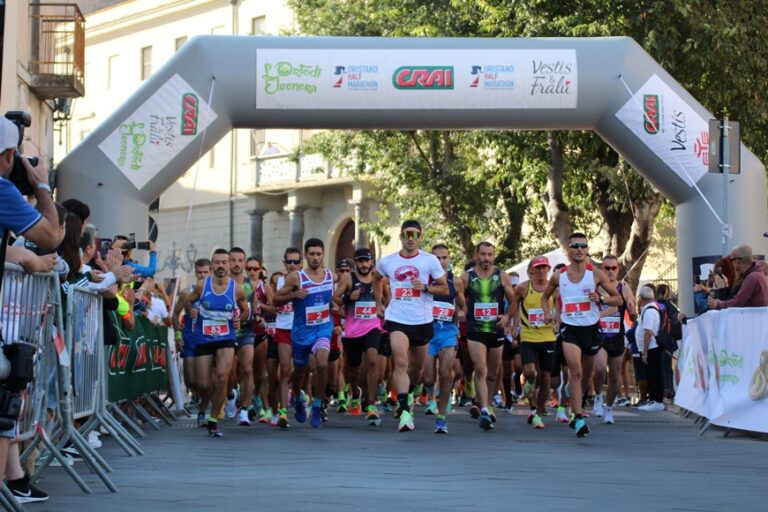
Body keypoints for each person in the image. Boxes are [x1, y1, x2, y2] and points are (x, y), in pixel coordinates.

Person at [0, 116, 63, 502]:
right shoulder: (3, 188)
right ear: (9, 154)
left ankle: (17, 479)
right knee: (6, 404)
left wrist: (15, 252)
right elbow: (53, 236)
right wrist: (40, 185)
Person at [541, 233, 621, 438]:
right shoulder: (559, 276)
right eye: (575, 246)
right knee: (575, 372)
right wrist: (548, 313)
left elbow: (618, 300)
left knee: (586, 376)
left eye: (582, 246)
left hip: (591, 329)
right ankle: (578, 418)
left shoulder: (595, 274)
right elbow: (545, 297)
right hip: (570, 329)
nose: (578, 249)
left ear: (587, 250)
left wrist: (600, 297)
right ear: (568, 250)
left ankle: (572, 394)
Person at [374, 220, 448, 432]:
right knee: (400, 360)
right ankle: (405, 411)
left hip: (422, 320)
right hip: (397, 317)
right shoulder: (388, 261)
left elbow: (443, 288)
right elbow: (376, 279)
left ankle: (412, 395)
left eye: (414, 235)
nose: (410, 238)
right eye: (406, 234)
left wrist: (425, 287)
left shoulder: (430, 260)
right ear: (400, 236)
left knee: (416, 370)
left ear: (420, 238)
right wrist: (379, 303)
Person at [187, 249, 250, 437]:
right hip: (204, 337)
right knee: (203, 384)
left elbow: (246, 310)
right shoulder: (201, 286)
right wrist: (192, 311)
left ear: (229, 265)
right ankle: (204, 405)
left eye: (224, 262)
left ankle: (213, 420)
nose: (221, 266)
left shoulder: (237, 289)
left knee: (223, 376)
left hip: (226, 337)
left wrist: (241, 320)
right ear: (212, 265)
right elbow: (188, 302)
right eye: (217, 262)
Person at [275, 238, 337, 428]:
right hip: (302, 332)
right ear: (305, 255)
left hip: (323, 328)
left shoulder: (330, 276)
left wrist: (335, 304)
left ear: (323, 254)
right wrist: (293, 296)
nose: (315, 258)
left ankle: (318, 406)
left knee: (322, 364)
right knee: (299, 371)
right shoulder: (296, 277)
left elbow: (333, 300)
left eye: (318, 254)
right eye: (311, 254)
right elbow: (276, 299)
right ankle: (299, 397)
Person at [460, 241, 516, 431]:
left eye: (490, 255)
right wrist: (461, 310)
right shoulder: (467, 277)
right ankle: (483, 409)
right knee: (480, 368)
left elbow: (514, 300)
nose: (486, 259)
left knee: (492, 374)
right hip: (475, 329)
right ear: (477, 255)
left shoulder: (502, 276)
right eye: (483, 254)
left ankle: (489, 404)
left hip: (495, 329)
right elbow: (458, 298)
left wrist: (507, 316)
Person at [333, 248, 384, 426]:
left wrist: (383, 309)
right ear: (356, 262)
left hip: (373, 326)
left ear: (372, 262)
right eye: (360, 261)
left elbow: (387, 300)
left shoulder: (379, 278)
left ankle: (371, 404)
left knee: (371, 360)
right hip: (353, 330)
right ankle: (355, 394)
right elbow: (335, 300)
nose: (364, 265)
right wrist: (348, 297)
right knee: (353, 370)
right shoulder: (348, 278)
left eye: (367, 261)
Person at [422, 244, 466, 434]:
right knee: (429, 377)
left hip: (447, 330)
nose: (441, 261)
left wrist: (461, 312)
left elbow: (463, 304)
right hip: (427, 330)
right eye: (437, 258)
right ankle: (428, 393)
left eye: (445, 257)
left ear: (449, 259)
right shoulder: (424, 279)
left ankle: (441, 417)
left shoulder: (455, 281)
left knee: (446, 372)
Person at [514, 256, 557, 430]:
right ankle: (529, 383)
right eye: (537, 268)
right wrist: (511, 325)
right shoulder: (523, 288)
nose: (541, 271)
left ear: (548, 269)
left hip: (548, 338)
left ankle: (538, 413)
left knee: (545, 378)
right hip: (529, 337)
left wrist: (557, 321)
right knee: (530, 372)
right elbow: (514, 307)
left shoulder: (554, 289)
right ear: (531, 270)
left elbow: (560, 307)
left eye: (544, 268)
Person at [593, 255, 637, 424]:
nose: (611, 271)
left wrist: (633, 313)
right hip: (599, 334)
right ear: (601, 269)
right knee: (599, 369)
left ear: (618, 269)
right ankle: (597, 396)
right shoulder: (596, 287)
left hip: (617, 335)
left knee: (616, 377)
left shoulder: (624, 287)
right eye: (607, 268)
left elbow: (633, 314)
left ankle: (608, 407)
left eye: (614, 268)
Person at [172, 258, 210, 424]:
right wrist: (178, 335)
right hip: (190, 337)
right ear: (195, 273)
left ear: (210, 272)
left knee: (203, 380)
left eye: (205, 272)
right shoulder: (187, 292)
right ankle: (198, 396)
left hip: (208, 339)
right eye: (199, 272)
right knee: (190, 380)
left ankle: (204, 407)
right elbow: (174, 313)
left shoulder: (216, 292)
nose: (202, 275)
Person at [271, 249, 302, 428]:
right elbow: (275, 300)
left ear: (300, 264)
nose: (292, 265)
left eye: (295, 262)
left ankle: (298, 394)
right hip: (283, 327)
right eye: (289, 261)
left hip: (302, 328)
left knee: (303, 368)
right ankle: (282, 412)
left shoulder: (307, 279)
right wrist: (292, 295)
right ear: (284, 263)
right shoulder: (280, 281)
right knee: (284, 370)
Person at [708, 245, 768, 309]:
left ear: (738, 261)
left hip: (753, 318)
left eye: (731, 260)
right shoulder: (757, 274)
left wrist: (717, 304)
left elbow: (737, 303)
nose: (731, 263)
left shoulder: (752, 277)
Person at [635, 286, 665, 411]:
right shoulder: (651, 309)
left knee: (654, 375)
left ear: (641, 298)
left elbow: (648, 333)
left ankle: (657, 400)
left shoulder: (649, 311)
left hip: (652, 348)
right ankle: (654, 399)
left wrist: (645, 353)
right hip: (651, 348)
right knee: (651, 374)